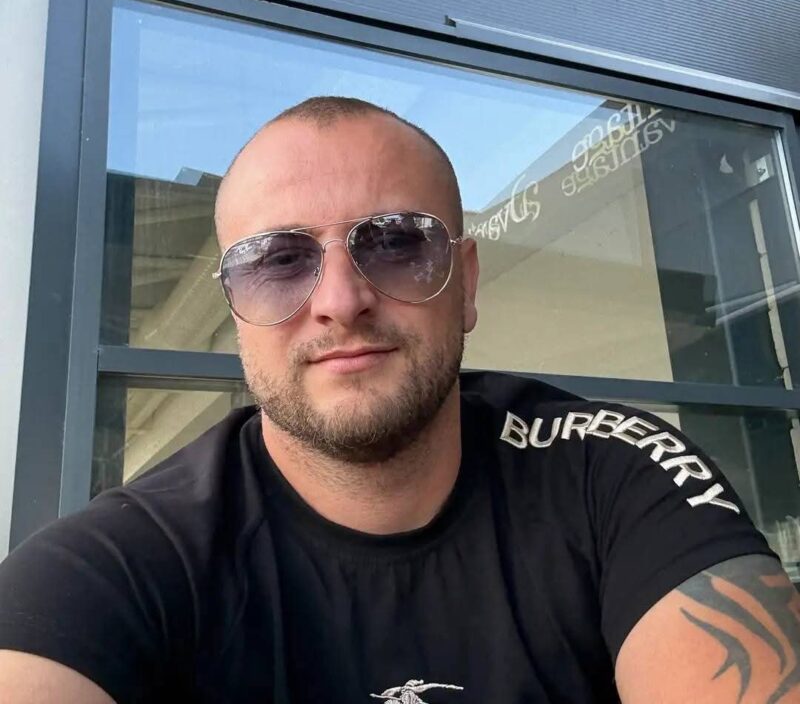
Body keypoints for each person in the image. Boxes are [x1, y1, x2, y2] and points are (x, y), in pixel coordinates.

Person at [0, 96, 798, 704]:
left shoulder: (611, 475)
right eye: (278, 260)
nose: (340, 301)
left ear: (467, 284)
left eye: (396, 243)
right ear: (236, 306)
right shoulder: (122, 565)